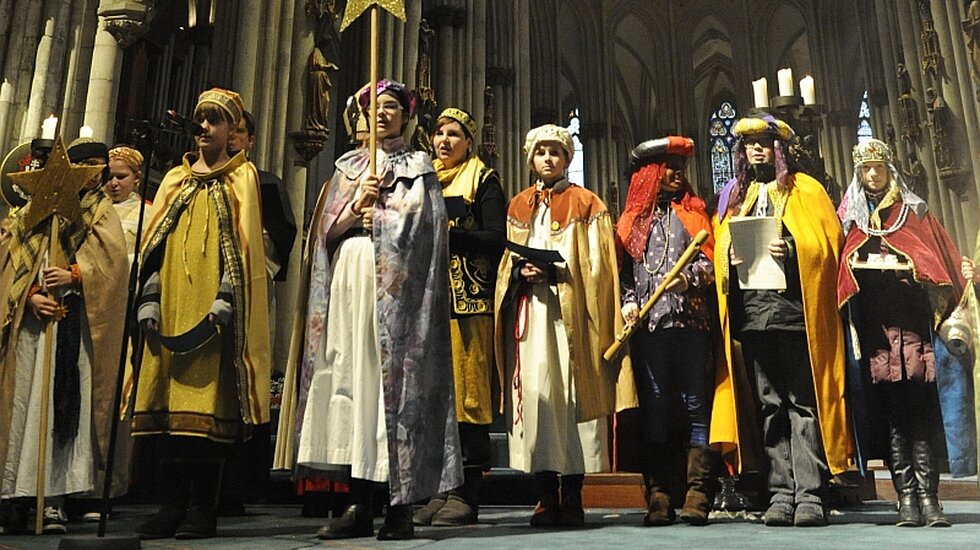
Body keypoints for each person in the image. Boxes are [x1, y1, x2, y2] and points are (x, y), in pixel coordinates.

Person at [288, 79, 462, 541]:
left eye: (390, 107)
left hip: (396, 295)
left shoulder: (419, 166)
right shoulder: (346, 167)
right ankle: (357, 503)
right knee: (353, 386)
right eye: (373, 107)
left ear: (406, 115)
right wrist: (353, 211)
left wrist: (381, 217)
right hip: (349, 279)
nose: (381, 114)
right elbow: (322, 233)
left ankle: (399, 507)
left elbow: (429, 231)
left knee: (392, 393)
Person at [129, 88, 270, 540]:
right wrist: (149, 297)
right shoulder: (174, 180)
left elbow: (244, 249)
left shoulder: (241, 178)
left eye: (215, 121)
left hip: (212, 318)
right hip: (169, 311)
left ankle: (201, 508)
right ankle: (170, 505)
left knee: (206, 417)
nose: (205, 128)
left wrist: (228, 299)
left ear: (233, 133)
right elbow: (154, 247)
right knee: (170, 413)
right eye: (201, 120)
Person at [710, 113, 852, 527]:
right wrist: (729, 259)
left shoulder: (805, 190)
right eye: (750, 142)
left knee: (802, 404)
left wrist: (789, 248)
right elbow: (721, 250)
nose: (756, 148)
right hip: (754, 317)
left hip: (794, 317)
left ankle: (809, 493)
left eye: (764, 142)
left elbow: (827, 247)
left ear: (780, 148)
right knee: (769, 406)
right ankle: (779, 492)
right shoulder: (735, 197)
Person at [494, 124, 634, 528]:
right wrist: (522, 269)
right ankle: (544, 495)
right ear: (531, 159)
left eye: (556, 152)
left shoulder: (587, 204)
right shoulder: (518, 206)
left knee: (572, 403)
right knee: (537, 402)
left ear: (567, 159)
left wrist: (556, 275)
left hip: (570, 321)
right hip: (531, 319)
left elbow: (600, 269)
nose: (548, 159)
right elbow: (506, 264)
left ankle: (572, 494)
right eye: (541, 153)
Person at [839, 139, 972, 527]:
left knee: (922, 415)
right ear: (859, 175)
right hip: (879, 336)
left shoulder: (913, 214)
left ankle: (930, 499)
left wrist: (911, 266)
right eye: (867, 170)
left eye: (879, 167)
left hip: (915, 333)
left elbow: (937, 261)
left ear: (890, 170)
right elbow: (842, 272)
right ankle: (906, 498)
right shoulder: (853, 220)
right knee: (895, 419)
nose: (874, 175)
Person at [0, 135, 127, 533]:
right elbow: (12, 266)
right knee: (24, 408)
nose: (93, 179)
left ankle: (53, 499)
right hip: (31, 325)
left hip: (72, 323)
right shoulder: (29, 215)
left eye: (98, 171)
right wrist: (32, 294)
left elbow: (112, 264)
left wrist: (75, 274)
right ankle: (13, 496)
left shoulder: (99, 212)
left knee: (60, 407)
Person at [617, 136, 718, 526]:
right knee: (655, 406)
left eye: (680, 167)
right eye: (668, 166)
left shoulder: (693, 215)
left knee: (696, 404)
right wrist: (628, 301)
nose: (676, 174)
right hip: (651, 326)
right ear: (649, 173)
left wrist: (689, 279)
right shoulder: (630, 222)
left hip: (690, 323)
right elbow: (625, 274)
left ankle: (698, 494)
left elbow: (712, 266)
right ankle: (658, 495)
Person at [412, 108, 505, 527]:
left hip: (469, 305)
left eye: (454, 135)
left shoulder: (482, 179)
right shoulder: (423, 178)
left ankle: (467, 494)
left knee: (468, 401)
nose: (444, 141)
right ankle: (440, 489)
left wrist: (451, 235)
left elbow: (496, 237)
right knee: (435, 401)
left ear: (469, 141)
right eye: (439, 133)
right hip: (428, 304)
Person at [104, 145, 144, 260]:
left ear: (136, 177)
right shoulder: (92, 208)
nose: (114, 183)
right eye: (109, 177)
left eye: (121, 177)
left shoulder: (146, 213)